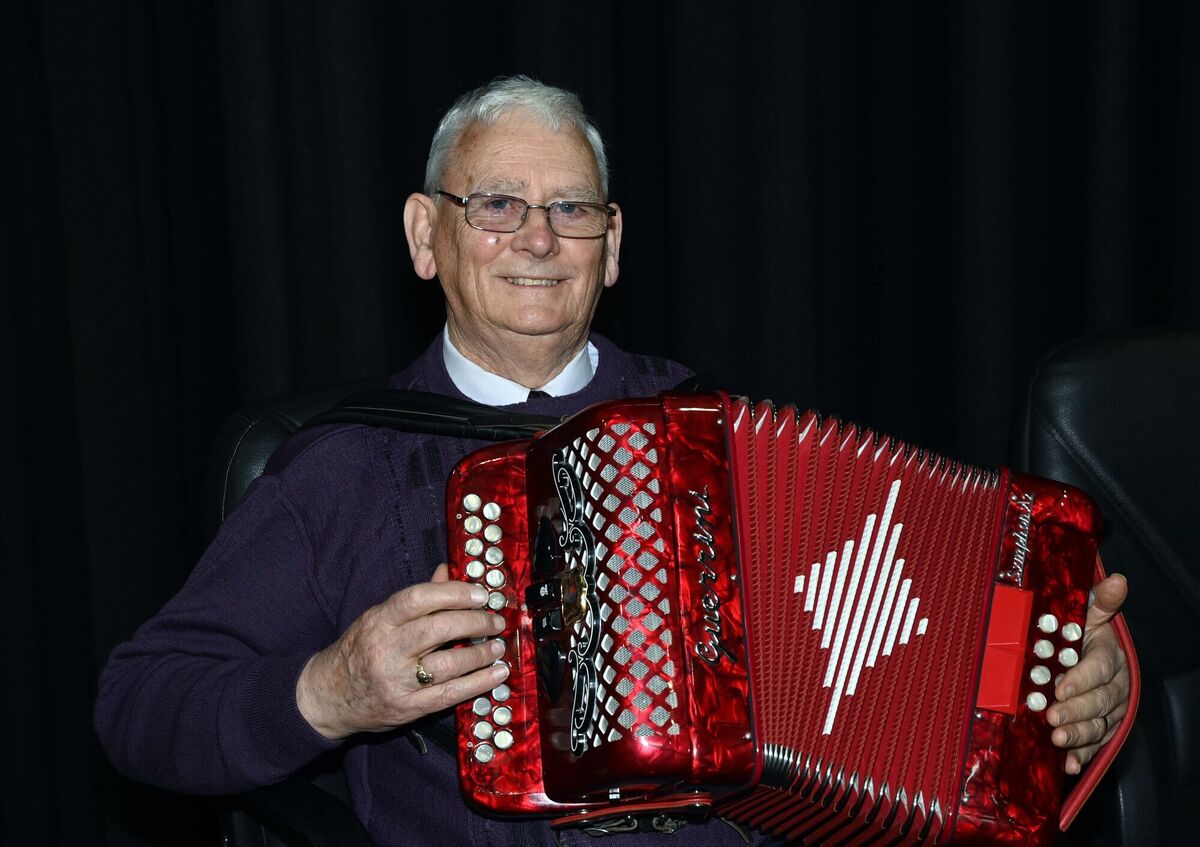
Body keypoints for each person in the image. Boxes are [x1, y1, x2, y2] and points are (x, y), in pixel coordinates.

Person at [95, 76, 1132, 846]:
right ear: (426, 236)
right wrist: (326, 692)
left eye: (573, 209)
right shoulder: (347, 466)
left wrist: (1073, 688)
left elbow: (930, 632)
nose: (539, 238)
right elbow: (139, 707)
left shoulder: (717, 431)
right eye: (495, 204)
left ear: (613, 243)